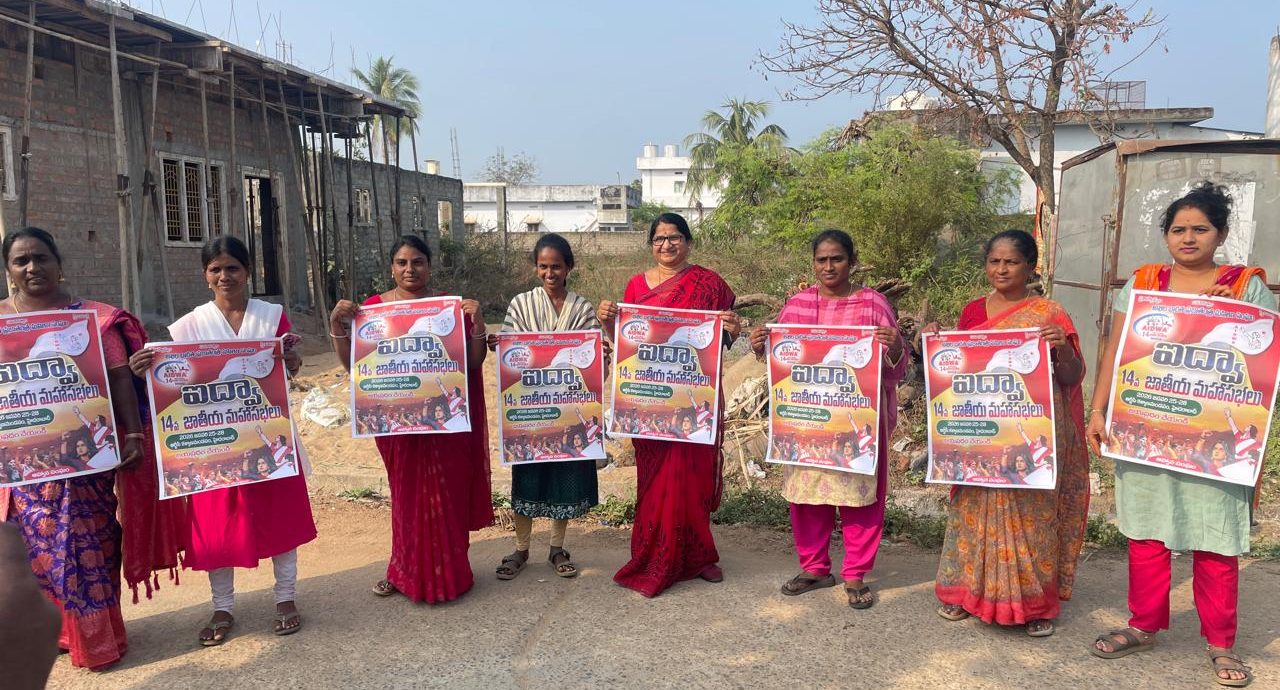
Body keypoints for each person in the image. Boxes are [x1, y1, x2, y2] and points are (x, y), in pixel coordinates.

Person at [1086, 183, 1268, 687]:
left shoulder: (1245, 286)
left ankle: (1221, 642)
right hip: (1147, 428)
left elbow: (1264, 357)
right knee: (1147, 528)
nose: (1188, 238)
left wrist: (1238, 315)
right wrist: (1098, 410)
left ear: (1221, 234)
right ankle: (1143, 625)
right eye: (1178, 229)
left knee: (1216, 536)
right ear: (1166, 235)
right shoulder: (1144, 283)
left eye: (1200, 229)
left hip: (1213, 436)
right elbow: (1115, 349)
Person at [1, 227, 185, 670]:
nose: (32, 267)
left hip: (87, 464)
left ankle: (98, 639)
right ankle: (56, 633)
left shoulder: (93, 321)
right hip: (24, 468)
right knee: (36, 554)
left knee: (90, 546)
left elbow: (120, 378)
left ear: (59, 264)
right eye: (21, 260)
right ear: (9, 271)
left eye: (41, 258)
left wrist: (133, 435)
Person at [128, 235, 316, 646]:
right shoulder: (189, 326)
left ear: (247, 272)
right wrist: (143, 370)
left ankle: (285, 598)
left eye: (232, 267)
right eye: (216, 269)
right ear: (205, 275)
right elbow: (177, 382)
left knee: (280, 518)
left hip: (267, 435)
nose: (224, 276)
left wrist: (293, 361)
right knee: (216, 525)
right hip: (213, 444)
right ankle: (223, 606)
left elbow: (289, 370)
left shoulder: (271, 317)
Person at [933, 229, 1090, 638]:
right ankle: (969, 592)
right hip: (982, 430)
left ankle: (1034, 604)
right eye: (994, 261)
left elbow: (1072, 376)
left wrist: (1063, 348)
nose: (1001, 269)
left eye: (1011, 262)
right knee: (975, 508)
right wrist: (936, 342)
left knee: (1033, 515)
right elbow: (960, 368)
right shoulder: (972, 311)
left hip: (1032, 428)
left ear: (1030, 267)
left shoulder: (1049, 313)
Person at [330, 235, 493, 603]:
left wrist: (478, 323)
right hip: (397, 426)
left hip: (445, 426)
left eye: (418, 262)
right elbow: (355, 367)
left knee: (448, 495)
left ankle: (453, 573)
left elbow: (472, 362)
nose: (410, 269)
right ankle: (401, 570)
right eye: (402, 262)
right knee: (406, 499)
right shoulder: (372, 310)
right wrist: (337, 325)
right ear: (392, 268)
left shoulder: (447, 310)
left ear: (429, 267)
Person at [749, 229, 906, 608]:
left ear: (853, 262)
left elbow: (896, 367)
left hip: (857, 423)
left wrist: (896, 344)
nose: (829, 266)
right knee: (807, 496)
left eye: (837, 259)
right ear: (813, 264)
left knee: (860, 498)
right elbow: (782, 360)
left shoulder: (874, 305)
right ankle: (815, 568)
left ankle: (856, 574)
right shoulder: (797, 305)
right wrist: (759, 347)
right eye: (822, 260)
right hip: (808, 421)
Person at [598, 213, 740, 597]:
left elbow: (718, 341)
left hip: (693, 399)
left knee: (692, 479)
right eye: (659, 239)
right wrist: (608, 322)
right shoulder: (635, 285)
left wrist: (732, 329)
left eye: (674, 237)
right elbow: (628, 341)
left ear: (688, 242)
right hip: (650, 404)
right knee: (654, 479)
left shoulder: (709, 284)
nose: (667, 245)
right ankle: (652, 553)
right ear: (651, 245)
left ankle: (698, 557)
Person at [489, 234, 602, 580]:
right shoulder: (521, 305)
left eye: (556, 266)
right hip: (530, 411)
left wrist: (602, 355)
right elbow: (511, 356)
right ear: (535, 268)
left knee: (563, 478)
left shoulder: (582, 308)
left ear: (569, 267)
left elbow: (593, 363)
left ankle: (557, 547)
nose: (549, 273)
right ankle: (521, 548)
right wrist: (500, 347)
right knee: (527, 476)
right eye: (543, 266)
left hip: (567, 408)